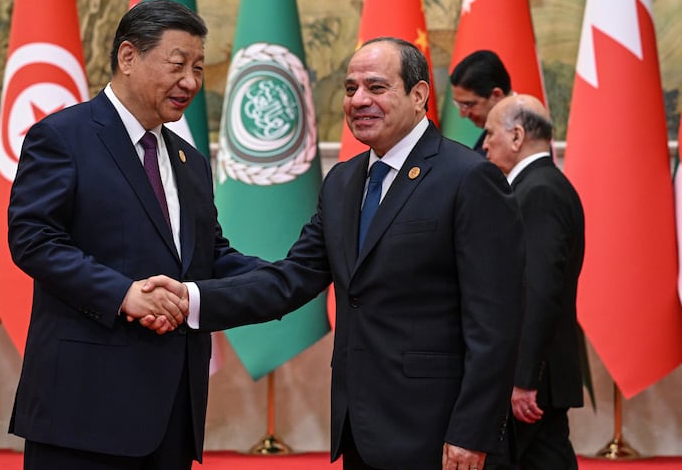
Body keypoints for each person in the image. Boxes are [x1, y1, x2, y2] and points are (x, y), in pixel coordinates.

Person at [146, 37, 526, 469]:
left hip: (442, 435)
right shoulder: (344, 182)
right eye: (349, 89)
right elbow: (292, 278)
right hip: (360, 429)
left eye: (376, 87)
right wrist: (190, 299)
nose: (359, 100)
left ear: (418, 95)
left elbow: (495, 323)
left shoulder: (470, 178)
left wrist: (471, 431)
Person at [7, 0, 262, 470]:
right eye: (178, 64)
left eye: (199, 67)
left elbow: (210, 255)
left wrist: (301, 271)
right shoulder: (63, 136)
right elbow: (33, 239)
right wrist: (123, 294)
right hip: (83, 410)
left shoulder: (191, 163)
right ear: (128, 57)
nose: (191, 81)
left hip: (171, 414)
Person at [482, 94, 585, 470]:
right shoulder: (541, 184)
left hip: (534, 375)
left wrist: (523, 378)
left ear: (517, 136)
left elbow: (539, 290)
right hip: (538, 369)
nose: (485, 144)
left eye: (490, 133)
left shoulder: (538, 191)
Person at [450, 50, 513, 153]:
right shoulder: (491, 130)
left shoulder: (529, 135)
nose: (462, 114)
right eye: (459, 104)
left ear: (496, 95)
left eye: (467, 104)